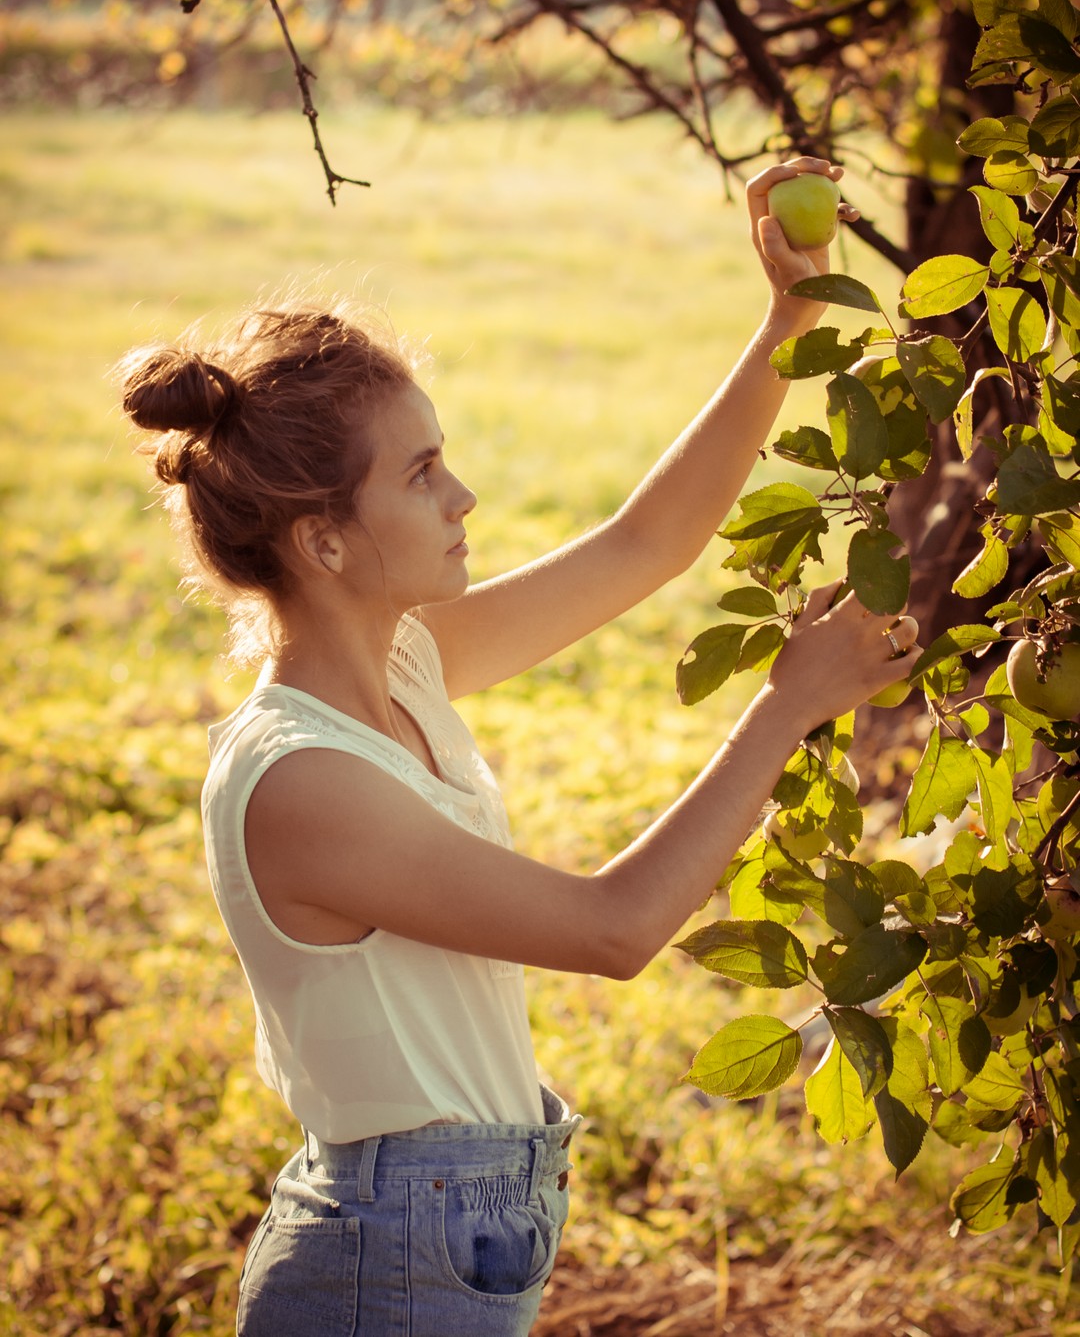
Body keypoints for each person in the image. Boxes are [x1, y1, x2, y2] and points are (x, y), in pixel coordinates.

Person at [116, 157, 920, 1337]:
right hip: (384, 1262)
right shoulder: (300, 781)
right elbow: (613, 929)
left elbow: (647, 542)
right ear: (323, 542)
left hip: (449, 1234)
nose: (464, 499)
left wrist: (786, 319)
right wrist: (789, 705)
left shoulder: (405, 667)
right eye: (424, 472)